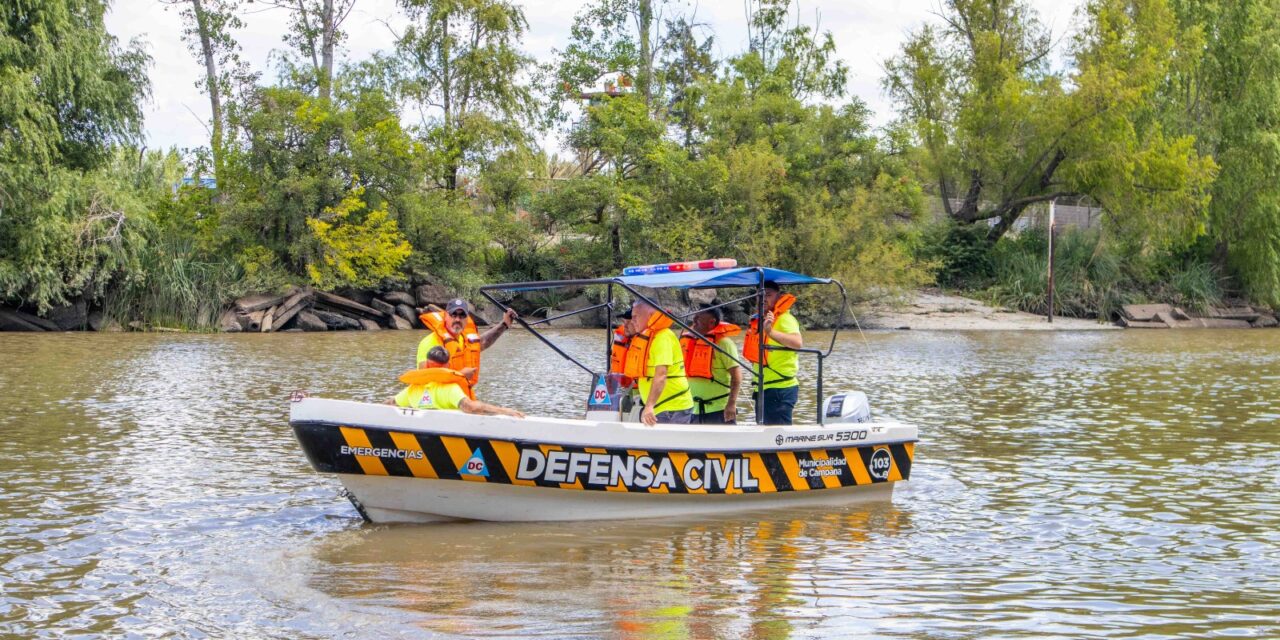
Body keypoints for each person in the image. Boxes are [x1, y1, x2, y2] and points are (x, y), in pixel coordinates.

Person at [617, 300, 695, 425]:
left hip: (672, 408)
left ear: (650, 315)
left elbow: (661, 375)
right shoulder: (647, 336)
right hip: (660, 408)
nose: (632, 321)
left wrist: (649, 407)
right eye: (632, 317)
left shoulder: (662, 337)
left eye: (636, 316)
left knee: (666, 444)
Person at [395, 347, 525, 417]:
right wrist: (505, 411)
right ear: (448, 366)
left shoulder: (413, 389)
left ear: (426, 366)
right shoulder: (450, 389)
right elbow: (471, 407)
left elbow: (389, 404)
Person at [416, 298, 518, 385]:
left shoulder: (464, 339)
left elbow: (482, 343)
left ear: (467, 319)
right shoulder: (430, 342)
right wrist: (459, 375)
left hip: (460, 397)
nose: (457, 319)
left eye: (462, 316)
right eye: (453, 315)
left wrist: (504, 324)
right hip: (438, 401)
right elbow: (424, 377)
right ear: (445, 317)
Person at [743, 282, 803, 424]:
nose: (763, 299)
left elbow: (797, 343)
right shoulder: (759, 320)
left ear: (778, 296)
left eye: (768, 295)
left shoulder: (785, 319)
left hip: (780, 388)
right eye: (760, 296)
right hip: (763, 388)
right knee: (764, 433)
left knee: (777, 435)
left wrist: (770, 332)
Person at [680, 304, 742, 424]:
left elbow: (737, 377)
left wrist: (731, 404)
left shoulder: (724, 343)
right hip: (693, 410)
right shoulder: (688, 342)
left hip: (719, 410)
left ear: (711, 322)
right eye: (694, 316)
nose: (694, 320)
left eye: (698, 317)